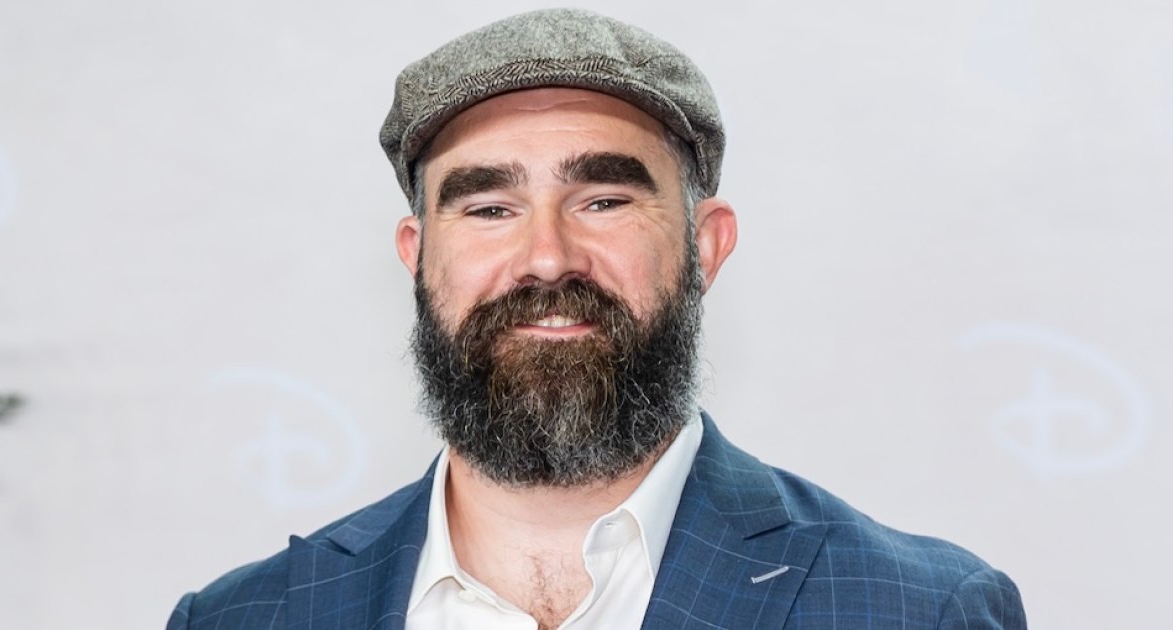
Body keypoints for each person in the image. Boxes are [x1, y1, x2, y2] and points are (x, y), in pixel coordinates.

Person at [167, 8, 1026, 629]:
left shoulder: (916, 610)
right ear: (416, 256)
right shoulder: (246, 617)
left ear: (705, 247)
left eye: (604, 200)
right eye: (489, 209)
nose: (547, 257)